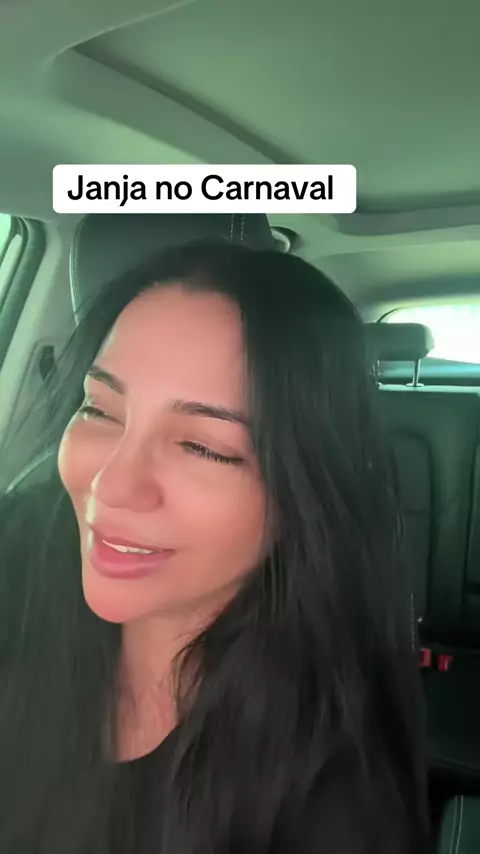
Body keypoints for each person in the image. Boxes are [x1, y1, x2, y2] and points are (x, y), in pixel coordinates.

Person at [0, 239, 429, 853]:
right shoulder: (20, 553)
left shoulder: (335, 798)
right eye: (99, 410)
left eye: (202, 447)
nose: (110, 485)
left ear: (305, 492)